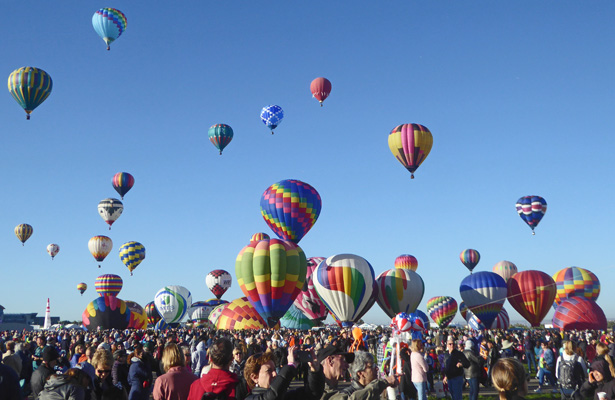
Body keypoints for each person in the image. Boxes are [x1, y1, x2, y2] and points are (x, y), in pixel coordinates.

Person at [243, 346, 325, 400]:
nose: (275, 374)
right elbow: (272, 396)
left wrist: (315, 371)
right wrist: (290, 367)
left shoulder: (284, 395)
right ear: (254, 377)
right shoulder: (251, 398)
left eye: (274, 370)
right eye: (269, 370)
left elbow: (312, 394)